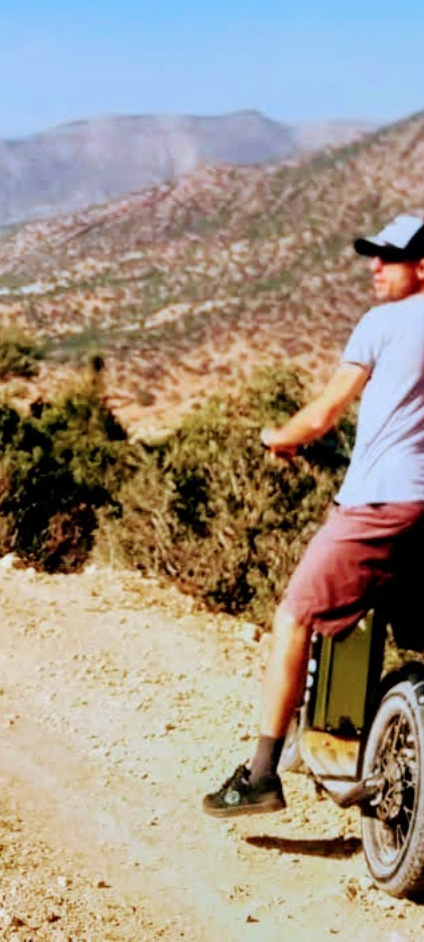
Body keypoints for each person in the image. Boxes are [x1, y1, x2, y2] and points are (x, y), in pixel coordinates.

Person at [203, 212, 424, 817]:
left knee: (295, 616)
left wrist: (281, 436)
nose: (375, 267)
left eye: (390, 258)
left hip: (382, 504)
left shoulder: (385, 322)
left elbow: (321, 416)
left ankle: (261, 774)